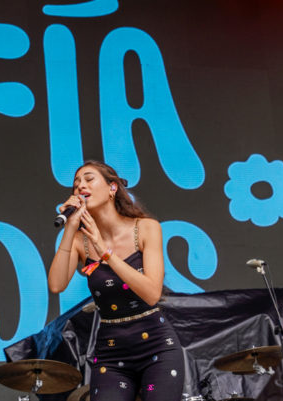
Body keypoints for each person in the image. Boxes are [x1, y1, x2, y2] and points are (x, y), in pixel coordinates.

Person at [48, 160, 184, 401]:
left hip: (156, 345)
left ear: (112, 188)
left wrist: (105, 253)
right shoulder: (80, 241)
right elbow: (56, 284)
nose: (80, 186)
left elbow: (152, 293)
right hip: (111, 351)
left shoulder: (145, 228)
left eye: (89, 179)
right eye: (76, 183)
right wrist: (70, 228)